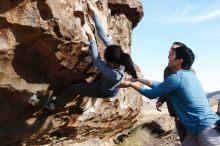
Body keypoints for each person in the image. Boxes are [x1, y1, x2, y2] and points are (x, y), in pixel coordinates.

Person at [119, 46, 220, 145]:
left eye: (172, 55)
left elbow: (151, 94)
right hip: (199, 128)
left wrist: (131, 84)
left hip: (207, 129)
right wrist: (138, 79)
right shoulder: (189, 75)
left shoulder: (176, 78)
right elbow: (162, 85)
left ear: (179, 60)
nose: (168, 57)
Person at [46, 1, 137, 110]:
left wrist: (91, 38)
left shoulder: (114, 75)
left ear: (113, 63)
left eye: (107, 61)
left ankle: (54, 104)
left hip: (103, 91)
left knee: (72, 88)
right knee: (101, 76)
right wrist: (94, 15)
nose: (106, 61)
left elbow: (96, 59)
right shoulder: (118, 55)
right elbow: (104, 37)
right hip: (107, 81)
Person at [156, 42, 191, 143]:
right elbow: (166, 87)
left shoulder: (188, 72)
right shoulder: (167, 70)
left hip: (186, 115)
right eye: (170, 50)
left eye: (174, 51)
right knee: (184, 141)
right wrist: (161, 99)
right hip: (176, 115)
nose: (170, 53)